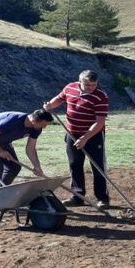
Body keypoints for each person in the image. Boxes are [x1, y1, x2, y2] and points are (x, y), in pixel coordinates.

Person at [43, 70, 110, 208]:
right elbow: (59, 99)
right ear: (80, 82)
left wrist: (85, 138)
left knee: (97, 166)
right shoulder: (70, 88)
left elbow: (99, 122)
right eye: (87, 84)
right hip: (72, 133)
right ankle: (77, 196)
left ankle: (102, 198)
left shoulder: (100, 96)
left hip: (93, 136)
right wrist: (50, 105)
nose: (90, 88)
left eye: (93, 85)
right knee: (74, 165)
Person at [0, 109, 53, 189]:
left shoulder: (36, 128)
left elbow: (31, 148)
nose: (44, 127)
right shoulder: (13, 121)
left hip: (3, 140)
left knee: (14, 167)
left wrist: (37, 166)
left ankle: (1, 190)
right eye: (43, 125)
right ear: (34, 121)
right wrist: (0, 151)